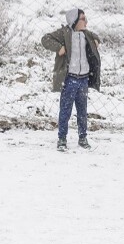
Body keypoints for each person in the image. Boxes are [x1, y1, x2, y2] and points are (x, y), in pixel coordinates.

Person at [41, 8, 101, 151]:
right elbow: (45, 39)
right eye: (83, 19)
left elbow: (95, 35)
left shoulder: (86, 34)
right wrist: (59, 48)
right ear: (74, 21)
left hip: (83, 79)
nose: (86, 22)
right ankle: (62, 138)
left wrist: (97, 39)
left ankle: (82, 137)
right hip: (70, 79)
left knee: (82, 110)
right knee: (65, 110)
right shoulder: (64, 34)